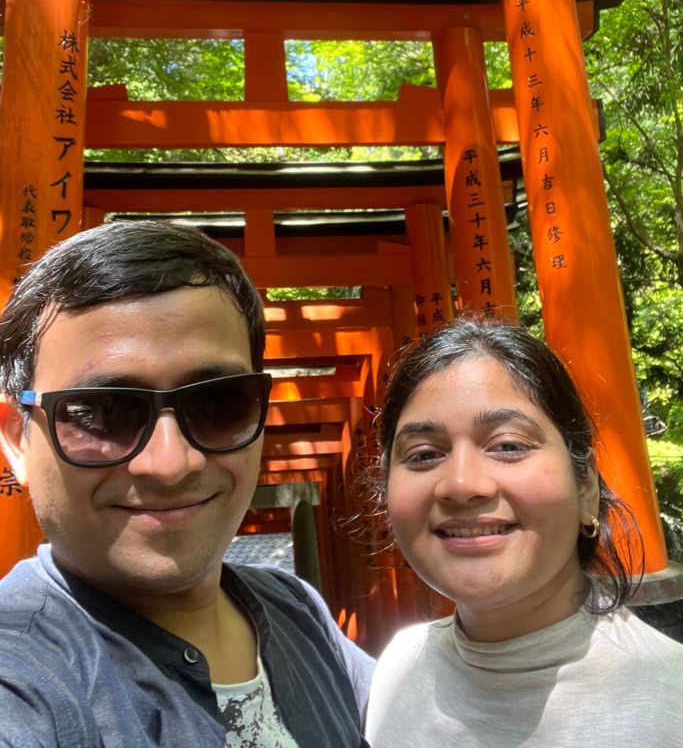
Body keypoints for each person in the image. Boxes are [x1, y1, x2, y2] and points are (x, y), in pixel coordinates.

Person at [0, 220, 373, 748]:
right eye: (102, 412)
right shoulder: (19, 677)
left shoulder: (295, 607)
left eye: (218, 403)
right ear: (18, 438)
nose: (171, 463)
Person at [365, 318, 683, 748]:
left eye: (509, 445)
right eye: (423, 455)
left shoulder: (670, 701)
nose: (461, 485)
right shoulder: (396, 671)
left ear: (585, 485)